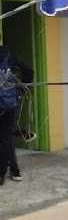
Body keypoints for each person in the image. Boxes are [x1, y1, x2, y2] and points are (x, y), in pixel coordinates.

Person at [0, 44, 33, 185]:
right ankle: (12, 171)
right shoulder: (8, 54)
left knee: (4, 139)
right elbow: (29, 71)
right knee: (6, 138)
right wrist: (19, 91)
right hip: (9, 102)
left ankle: (6, 173)